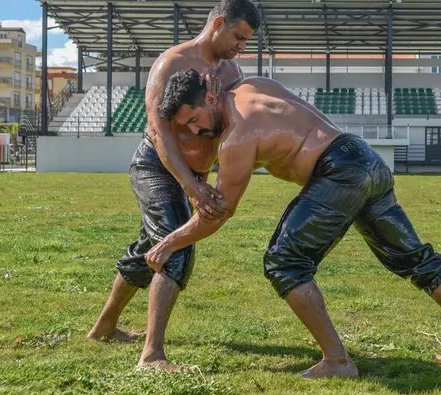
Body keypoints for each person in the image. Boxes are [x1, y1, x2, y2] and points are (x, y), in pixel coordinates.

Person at [146, 69, 441, 378]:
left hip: (339, 171)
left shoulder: (236, 139)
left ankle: (337, 360)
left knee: (285, 262)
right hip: (365, 158)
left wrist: (167, 243)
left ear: (210, 95)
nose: (196, 129)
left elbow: (219, 214)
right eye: (187, 127)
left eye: (194, 119)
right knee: (417, 259)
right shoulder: (254, 85)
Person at [86, 0, 261, 373]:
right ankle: (152, 356)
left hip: (194, 177)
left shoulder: (232, 73)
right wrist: (192, 187)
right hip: (156, 166)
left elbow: (228, 131)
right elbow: (159, 131)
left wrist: (209, 180)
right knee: (174, 247)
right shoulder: (172, 63)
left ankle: (103, 327)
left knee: (148, 248)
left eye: (246, 41)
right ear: (218, 23)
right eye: (238, 36)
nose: (240, 46)